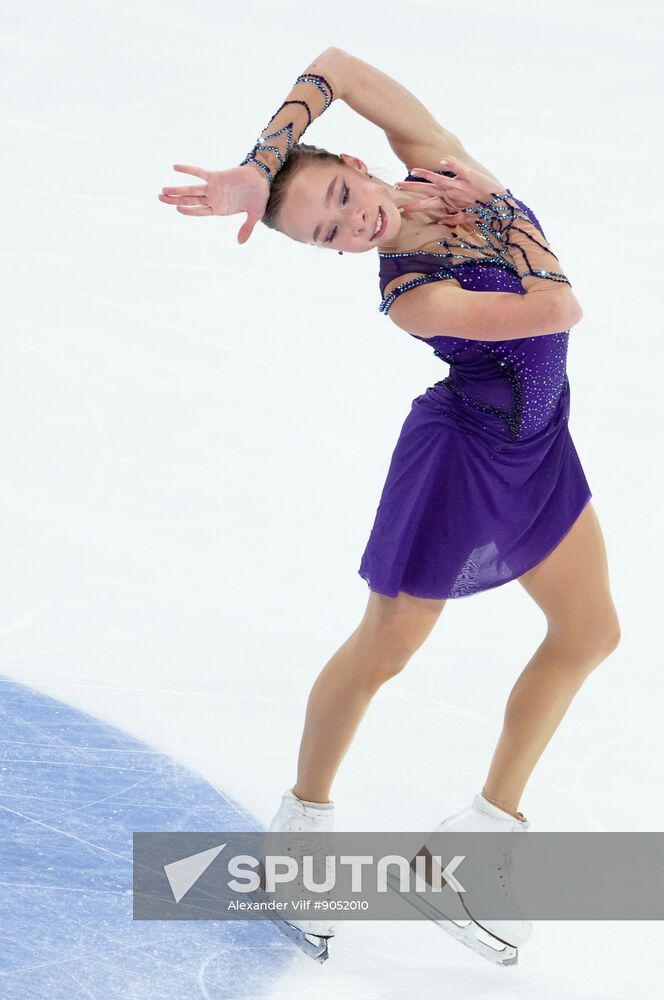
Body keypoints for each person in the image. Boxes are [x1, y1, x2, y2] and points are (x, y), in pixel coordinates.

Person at [158, 48, 621, 960]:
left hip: (539, 447)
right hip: (464, 460)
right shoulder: (412, 297)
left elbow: (332, 66)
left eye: (338, 199)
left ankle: (474, 845)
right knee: (386, 651)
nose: (353, 225)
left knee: (589, 634)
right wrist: (496, 203)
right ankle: (301, 829)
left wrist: (261, 164)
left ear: (358, 165)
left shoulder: (426, 156)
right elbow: (558, 311)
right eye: (330, 236)